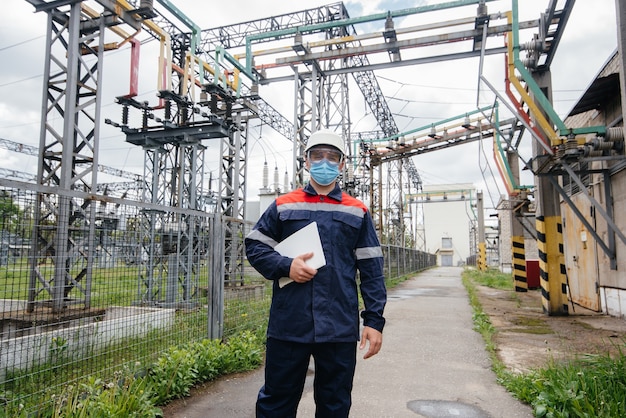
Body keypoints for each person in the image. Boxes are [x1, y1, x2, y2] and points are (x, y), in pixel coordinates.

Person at [245, 129, 387, 418]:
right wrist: (286, 266)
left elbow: (371, 270)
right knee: (276, 402)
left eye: (332, 157)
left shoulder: (357, 211)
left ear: (342, 164)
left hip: (338, 325)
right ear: (306, 162)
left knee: (334, 405)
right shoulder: (284, 205)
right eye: (317, 156)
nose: (325, 162)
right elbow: (256, 247)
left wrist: (374, 320)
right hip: (289, 324)